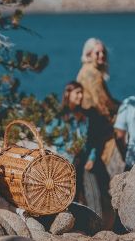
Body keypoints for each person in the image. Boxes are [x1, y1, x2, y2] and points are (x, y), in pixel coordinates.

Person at [46, 81, 113, 227]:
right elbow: (48, 135)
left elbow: (92, 141)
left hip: (84, 160)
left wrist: (92, 158)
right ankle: (65, 223)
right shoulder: (59, 116)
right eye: (77, 92)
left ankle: (96, 224)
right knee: (67, 194)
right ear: (67, 94)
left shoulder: (86, 116)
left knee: (92, 193)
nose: (80, 96)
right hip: (66, 160)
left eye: (81, 92)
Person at [76, 38, 124, 178]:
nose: (102, 55)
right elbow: (103, 103)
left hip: (90, 121)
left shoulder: (88, 70)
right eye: (97, 53)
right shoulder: (92, 73)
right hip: (95, 124)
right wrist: (122, 110)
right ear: (89, 55)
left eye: (103, 52)